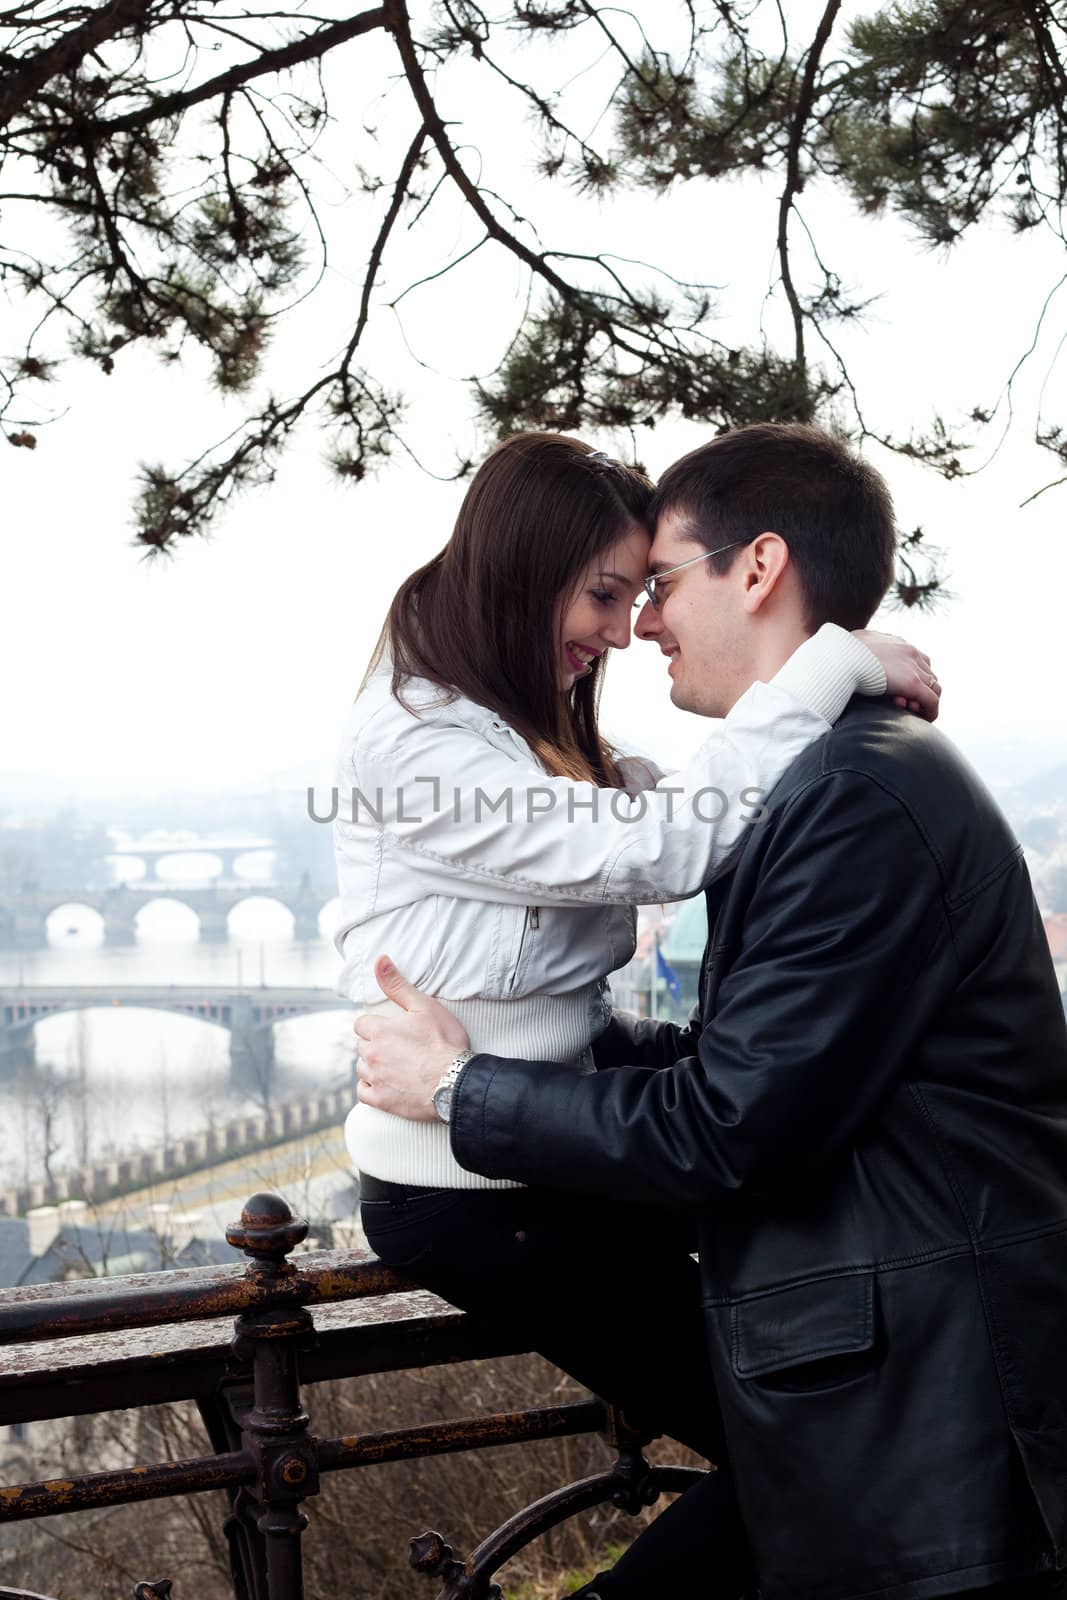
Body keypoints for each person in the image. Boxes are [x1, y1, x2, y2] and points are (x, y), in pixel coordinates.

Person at [354, 423, 1067, 1600]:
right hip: (893, 1341)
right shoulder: (833, 776)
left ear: (755, 569)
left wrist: (459, 1087)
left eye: (656, 584)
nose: (640, 626)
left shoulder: (850, 794)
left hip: (924, 1363)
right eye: (611, 594)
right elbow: (771, 1063)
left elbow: (730, 1117)